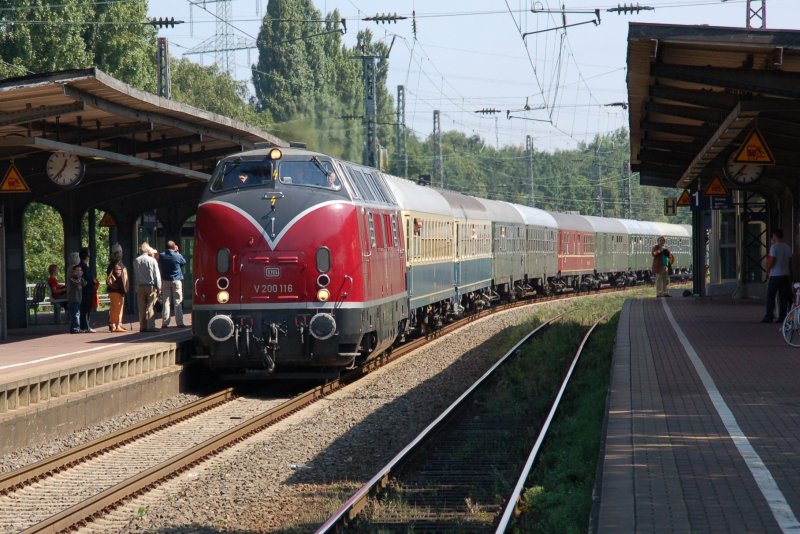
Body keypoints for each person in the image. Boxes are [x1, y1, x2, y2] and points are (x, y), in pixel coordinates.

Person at [762, 229, 792, 323]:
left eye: (772, 236)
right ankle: (782, 317)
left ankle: (769, 316)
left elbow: (772, 261)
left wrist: (767, 271)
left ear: (775, 236)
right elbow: (790, 260)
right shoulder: (787, 247)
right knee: (783, 297)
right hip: (785, 275)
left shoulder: (774, 247)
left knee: (771, 296)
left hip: (775, 275)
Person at [134, 242, 161, 332]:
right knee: (150, 306)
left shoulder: (136, 260)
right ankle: (151, 326)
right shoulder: (152, 260)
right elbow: (156, 274)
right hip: (151, 286)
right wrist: (159, 287)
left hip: (140, 286)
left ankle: (142, 326)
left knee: (141, 306)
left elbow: (136, 274)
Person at [159, 240, 187, 328]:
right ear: (173, 247)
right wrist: (177, 251)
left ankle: (165, 322)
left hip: (165, 280)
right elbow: (184, 262)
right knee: (177, 301)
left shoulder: (162, 255)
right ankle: (179, 322)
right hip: (176, 280)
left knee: (166, 302)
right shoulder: (178, 255)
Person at [106, 244, 130, 332]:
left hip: (114, 289)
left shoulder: (113, 264)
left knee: (116, 307)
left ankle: (118, 324)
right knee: (116, 308)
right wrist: (123, 289)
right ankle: (115, 325)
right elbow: (120, 279)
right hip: (117, 290)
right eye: (120, 252)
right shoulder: (117, 265)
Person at [77, 247, 98, 332]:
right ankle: (85, 326)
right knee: (85, 308)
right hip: (86, 290)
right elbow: (87, 278)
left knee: (86, 308)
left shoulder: (82, 266)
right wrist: (93, 281)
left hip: (87, 289)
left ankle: (85, 325)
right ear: (86, 256)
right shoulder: (83, 267)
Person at [67, 264, 87, 334]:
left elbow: (84, 283)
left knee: (76, 313)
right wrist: (79, 277)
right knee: (76, 314)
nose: (79, 272)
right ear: (74, 271)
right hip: (73, 299)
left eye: (80, 270)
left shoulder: (80, 278)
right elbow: (77, 284)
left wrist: (80, 277)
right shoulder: (71, 278)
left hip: (78, 299)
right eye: (77, 270)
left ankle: (73, 328)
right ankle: (76, 328)